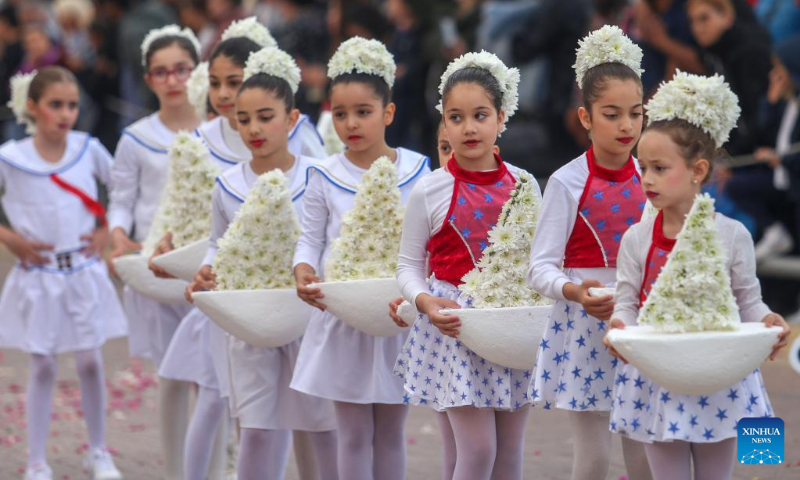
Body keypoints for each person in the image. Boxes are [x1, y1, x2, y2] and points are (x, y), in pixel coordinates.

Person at [604, 70, 790, 480]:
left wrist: (766, 321)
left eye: (659, 167)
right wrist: (621, 327)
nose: (647, 179)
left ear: (698, 170)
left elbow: (747, 299)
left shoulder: (733, 234)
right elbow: (627, 301)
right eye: (643, 168)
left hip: (718, 378)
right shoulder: (637, 239)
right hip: (658, 377)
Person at [394, 50, 540, 480]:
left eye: (480, 115)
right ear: (444, 122)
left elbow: (541, 258)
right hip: (454, 330)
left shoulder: (525, 184)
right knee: (477, 452)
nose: (469, 128)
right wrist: (424, 302)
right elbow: (407, 266)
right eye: (456, 118)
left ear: (501, 116)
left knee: (510, 451)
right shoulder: (430, 190)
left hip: (511, 323)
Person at [292, 37, 430, 480]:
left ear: (388, 113)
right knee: (350, 434)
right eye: (340, 112)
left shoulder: (418, 170)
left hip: (397, 318)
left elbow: (430, 241)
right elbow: (310, 240)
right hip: (344, 318)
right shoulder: (323, 173)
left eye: (364, 112)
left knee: (390, 432)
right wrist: (304, 271)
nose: (350, 123)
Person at [528, 26, 652, 480]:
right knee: (594, 459)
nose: (626, 126)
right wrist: (575, 292)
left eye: (635, 114)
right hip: (583, 327)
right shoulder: (566, 181)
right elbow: (539, 267)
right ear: (585, 117)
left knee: (645, 455)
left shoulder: (653, 178)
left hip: (640, 323)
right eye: (611, 114)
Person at [0, 66, 127, 480]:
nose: (65, 113)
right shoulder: (11, 157)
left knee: (91, 361)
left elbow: (123, 189)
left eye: (72, 105)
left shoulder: (88, 148)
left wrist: (107, 230)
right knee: (42, 365)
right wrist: (11, 239)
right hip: (39, 276)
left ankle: (98, 451)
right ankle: (36, 460)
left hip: (84, 271)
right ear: (33, 107)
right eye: (56, 105)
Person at [107, 25, 201, 480]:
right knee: (172, 374)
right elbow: (122, 197)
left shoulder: (221, 130)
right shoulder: (135, 137)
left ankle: (218, 465)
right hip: (157, 267)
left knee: (215, 378)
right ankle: (179, 470)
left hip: (206, 266)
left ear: (196, 70)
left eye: (181, 69)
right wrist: (118, 235)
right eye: (161, 72)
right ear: (148, 80)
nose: (173, 80)